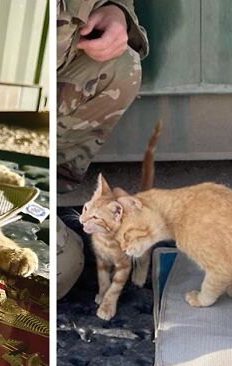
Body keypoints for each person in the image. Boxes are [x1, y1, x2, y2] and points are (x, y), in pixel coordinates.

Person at [56, 0, 149, 298]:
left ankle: (52, 181)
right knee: (63, 266)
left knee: (60, 267)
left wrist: (116, 11)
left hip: (64, 67)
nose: (83, 218)